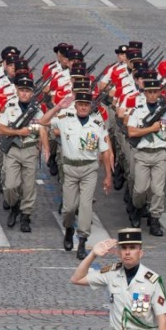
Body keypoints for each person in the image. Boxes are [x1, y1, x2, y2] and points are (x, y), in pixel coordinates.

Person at [44, 91, 112, 259]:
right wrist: (59, 107)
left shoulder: (98, 124)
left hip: (89, 169)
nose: (83, 107)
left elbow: (105, 152)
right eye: (80, 104)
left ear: (90, 107)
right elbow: (42, 121)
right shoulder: (65, 119)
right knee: (68, 209)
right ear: (75, 106)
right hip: (70, 168)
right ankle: (69, 229)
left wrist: (108, 175)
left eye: (86, 104)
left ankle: (82, 240)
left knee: (86, 206)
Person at [127, 79, 166, 237]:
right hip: (142, 153)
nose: (152, 95)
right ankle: (137, 208)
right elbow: (131, 132)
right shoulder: (137, 110)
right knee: (140, 189)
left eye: (155, 92)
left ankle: (155, 218)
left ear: (159, 93)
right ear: (145, 93)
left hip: (159, 153)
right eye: (149, 92)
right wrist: (151, 128)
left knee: (158, 191)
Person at [0, 76, 49, 234]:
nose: (25, 94)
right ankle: (14, 207)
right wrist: (19, 132)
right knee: (10, 185)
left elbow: (43, 129)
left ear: (32, 93)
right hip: (13, 149)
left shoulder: (38, 111)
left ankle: (26, 215)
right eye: (22, 90)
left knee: (28, 186)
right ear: (17, 91)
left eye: (28, 91)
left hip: (30, 150)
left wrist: (45, 147)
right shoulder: (10, 106)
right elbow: (1, 129)